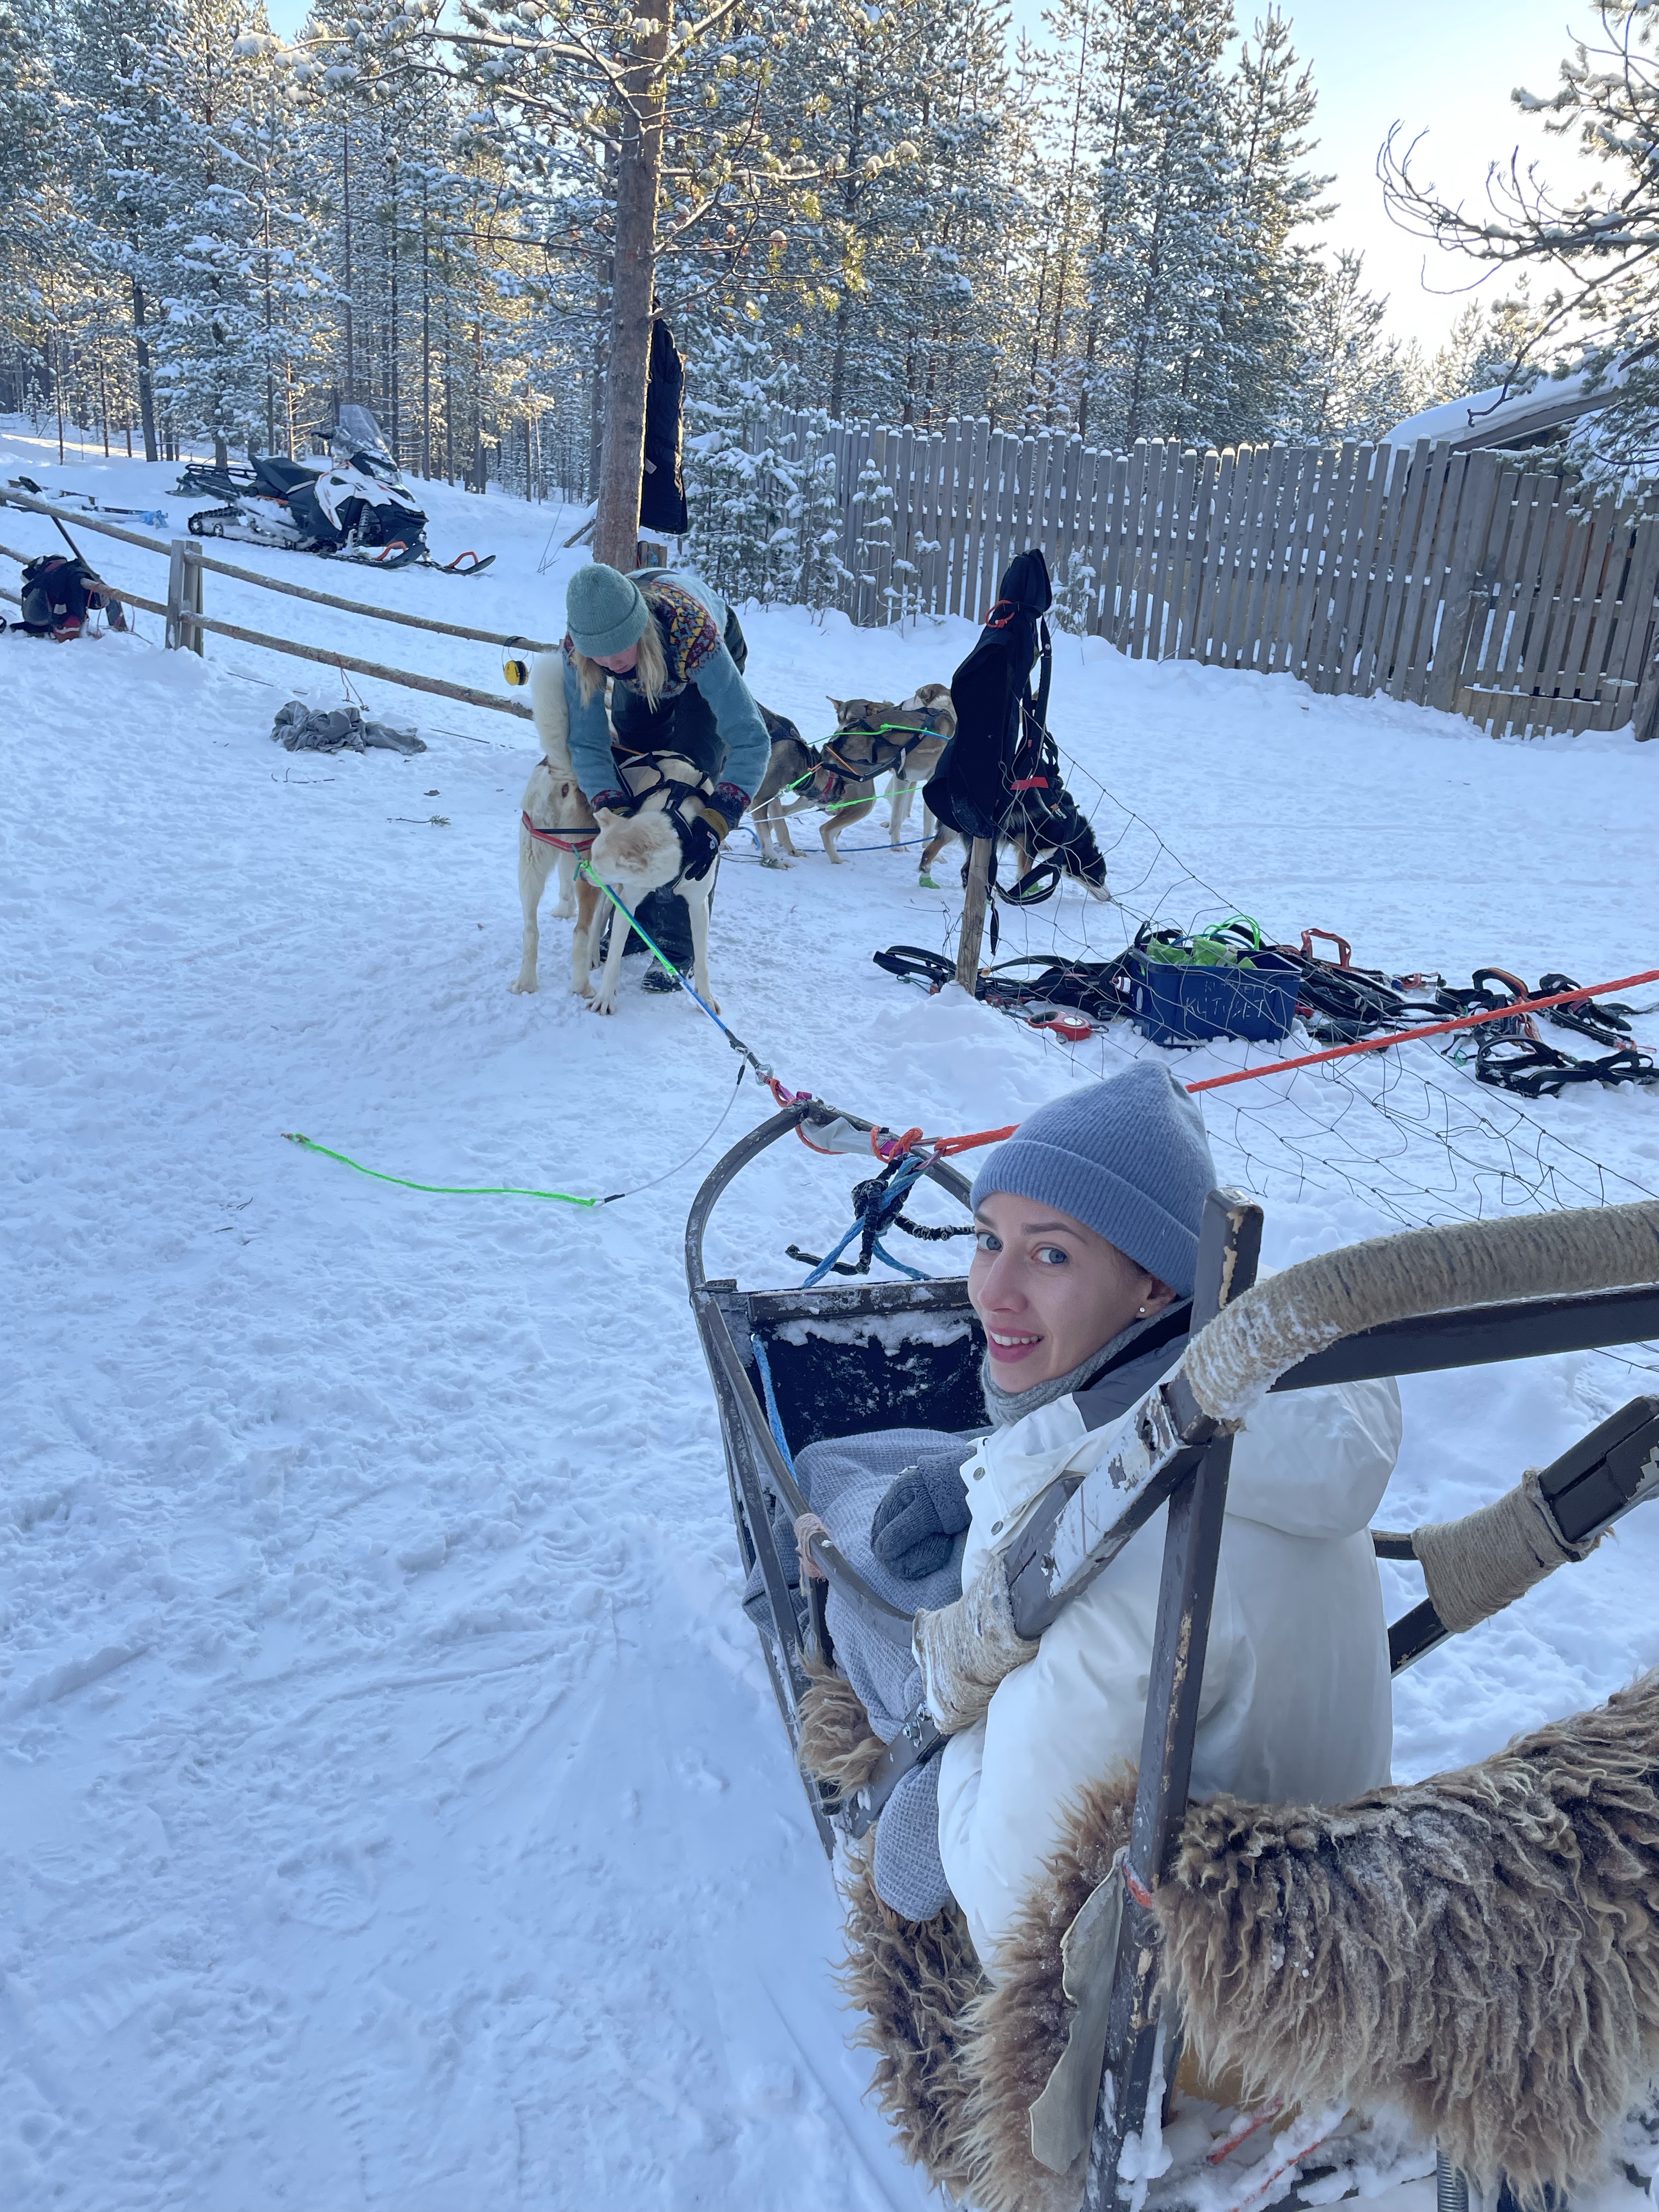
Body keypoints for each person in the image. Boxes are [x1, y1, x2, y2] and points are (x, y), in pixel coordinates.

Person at [787, 1062, 1401, 1965]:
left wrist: (943, 1735)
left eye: (1050, 1253)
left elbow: (948, 1889)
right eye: (986, 1238)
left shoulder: (1108, 1564)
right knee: (877, 1465)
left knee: (834, 1501)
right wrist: (981, 1473)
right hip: (1317, 1847)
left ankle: (818, 1555)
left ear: (1151, 1282)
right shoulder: (1284, 1420)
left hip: (1172, 1965)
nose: (991, 1291)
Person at [562, 562, 770, 989]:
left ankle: (676, 945)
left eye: (619, 650)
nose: (610, 663)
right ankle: (636, 922)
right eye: (599, 655)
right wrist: (611, 805)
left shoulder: (696, 637)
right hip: (651, 665)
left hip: (693, 649)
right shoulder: (582, 650)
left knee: (687, 787)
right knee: (639, 773)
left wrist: (721, 817)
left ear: (639, 633)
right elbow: (587, 743)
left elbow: (751, 738)